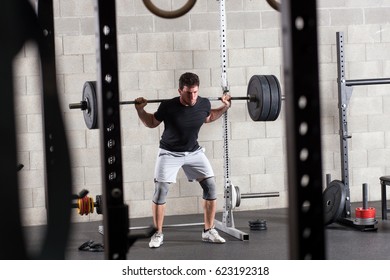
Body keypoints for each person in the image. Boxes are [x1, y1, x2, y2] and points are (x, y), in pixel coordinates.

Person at [135, 72, 231, 248]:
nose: (192, 96)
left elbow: (208, 117)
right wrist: (140, 110)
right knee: (161, 190)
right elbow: (151, 123)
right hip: (169, 152)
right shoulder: (168, 106)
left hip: (193, 151)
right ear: (180, 90)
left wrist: (225, 107)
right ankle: (157, 233)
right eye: (188, 93)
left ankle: (208, 231)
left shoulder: (204, 103)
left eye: (195, 92)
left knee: (210, 186)